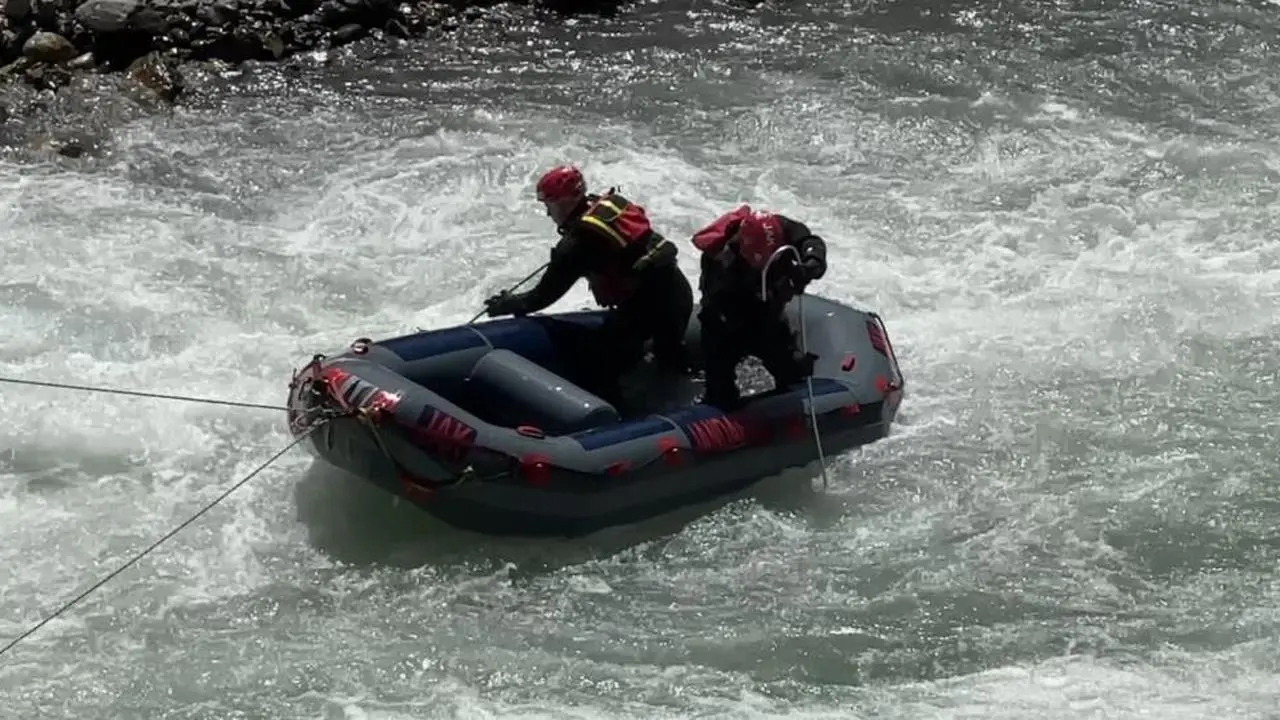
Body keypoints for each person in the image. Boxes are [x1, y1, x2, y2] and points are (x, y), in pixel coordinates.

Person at [483, 164, 694, 405]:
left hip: (649, 311)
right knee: (669, 361)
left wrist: (507, 304)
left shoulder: (576, 245)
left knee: (596, 364)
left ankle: (615, 415)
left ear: (564, 202)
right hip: (677, 295)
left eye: (549, 205)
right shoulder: (605, 210)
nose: (548, 214)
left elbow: (541, 297)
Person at [690, 204, 828, 411]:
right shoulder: (721, 263)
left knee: (792, 370)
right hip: (727, 319)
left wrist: (811, 263)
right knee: (719, 384)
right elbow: (722, 304)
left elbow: (810, 241)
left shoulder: (783, 228)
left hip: (768, 312)